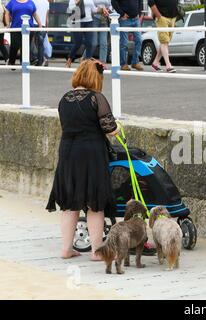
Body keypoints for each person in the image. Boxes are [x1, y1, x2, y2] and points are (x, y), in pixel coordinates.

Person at [46, 59, 119, 260]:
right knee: (95, 203)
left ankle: (66, 249)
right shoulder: (96, 98)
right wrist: (118, 128)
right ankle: (96, 251)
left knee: (70, 203)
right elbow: (110, 128)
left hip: (68, 152)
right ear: (96, 77)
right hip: (91, 153)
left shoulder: (64, 99)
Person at [66, 0, 104, 68]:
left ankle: (87, 62)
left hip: (89, 22)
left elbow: (94, 10)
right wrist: (77, 2)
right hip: (77, 22)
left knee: (89, 43)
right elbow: (70, 8)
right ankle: (70, 58)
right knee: (78, 43)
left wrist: (102, 9)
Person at [4, 0, 42, 66]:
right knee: (14, 46)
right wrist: (7, 24)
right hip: (15, 28)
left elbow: (35, 14)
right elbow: (7, 13)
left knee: (25, 46)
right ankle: (11, 61)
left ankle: (24, 63)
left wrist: (40, 24)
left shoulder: (31, 2)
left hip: (28, 28)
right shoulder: (12, 2)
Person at [111, 0, 144, 71]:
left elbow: (140, 1)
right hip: (125, 19)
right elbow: (113, 2)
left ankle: (135, 62)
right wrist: (122, 14)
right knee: (124, 43)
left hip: (136, 19)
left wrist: (139, 13)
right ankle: (123, 64)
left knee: (139, 40)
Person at [147, 0, 178, 73]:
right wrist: (159, 16)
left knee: (165, 42)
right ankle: (168, 65)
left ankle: (155, 63)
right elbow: (150, 2)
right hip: (162, 18)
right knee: (164, 41)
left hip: (173, 17)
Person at [32, 0, 49, 66]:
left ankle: (34, 58)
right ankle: (40, 61)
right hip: (43, 26)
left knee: (32, 43)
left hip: (34, 24)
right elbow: (47, 17)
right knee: (40, 44)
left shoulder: (33, 1)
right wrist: (47, 28)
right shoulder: (46, 2)